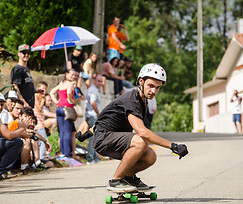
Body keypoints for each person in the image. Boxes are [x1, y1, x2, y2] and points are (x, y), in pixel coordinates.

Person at [78, 63, 188, 192]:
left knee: (150, 155)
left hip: (110, 137)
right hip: (104, 139)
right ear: (141, 81)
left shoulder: (142, 101)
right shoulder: (132, 100)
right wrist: (172, 146)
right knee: (140, 141)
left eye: (158, 88)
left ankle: (129, 178)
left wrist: (87, 134)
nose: (154, 91)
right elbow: (142, 132)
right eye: (151, 86)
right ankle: (116, 181)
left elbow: (104, 119)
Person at [50, 69, 79, 158]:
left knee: (62, 131)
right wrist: (70, 100)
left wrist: (56, 101)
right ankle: (67, 153)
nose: (73, 77)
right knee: (67, 131)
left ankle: (63, 151)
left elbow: (51, 92)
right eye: (72, 75)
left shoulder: (61, 83)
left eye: (74, 75)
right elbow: (69, 92)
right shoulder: (70, 84)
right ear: (66, 74)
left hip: (59, 108)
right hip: (67, 108)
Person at [84, 75, 103, 164]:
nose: (100, 83)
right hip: (92, 115)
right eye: (98, 81)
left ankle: (95, 157)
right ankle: (90, 158)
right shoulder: (93, 90)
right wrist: (98, 114)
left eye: (101, 81)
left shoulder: (92, 89)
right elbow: (93, 103)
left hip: (90, 115)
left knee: (95, 136)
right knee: (93, 137)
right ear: (94, 81)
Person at [11, 44, 35, 108]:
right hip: (22, 106)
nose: (26, 55)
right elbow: (14, 87)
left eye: (28, 53)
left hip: (29, 105)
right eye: (24, 53)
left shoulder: (26, 69)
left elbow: (25, 86)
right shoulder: (17, 69)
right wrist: (23, 102)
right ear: (19, 54)